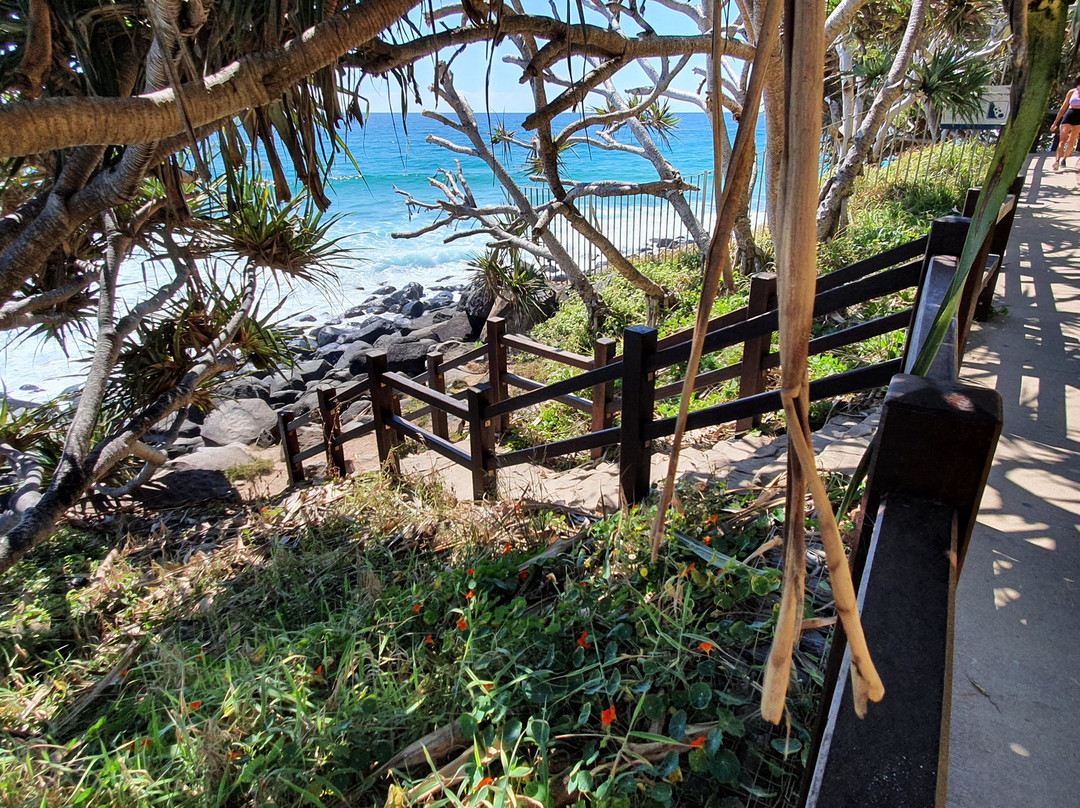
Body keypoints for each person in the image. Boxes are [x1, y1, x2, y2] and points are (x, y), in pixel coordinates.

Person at [1050, 81, 1080, 170]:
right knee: (1062, 141)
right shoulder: (1072, 92)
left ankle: (1064, 159)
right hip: (1069, 115)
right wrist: (1055, 123)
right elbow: (1063, 107)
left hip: (1079, 118)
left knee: (1071, 142)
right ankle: (1057, 161)